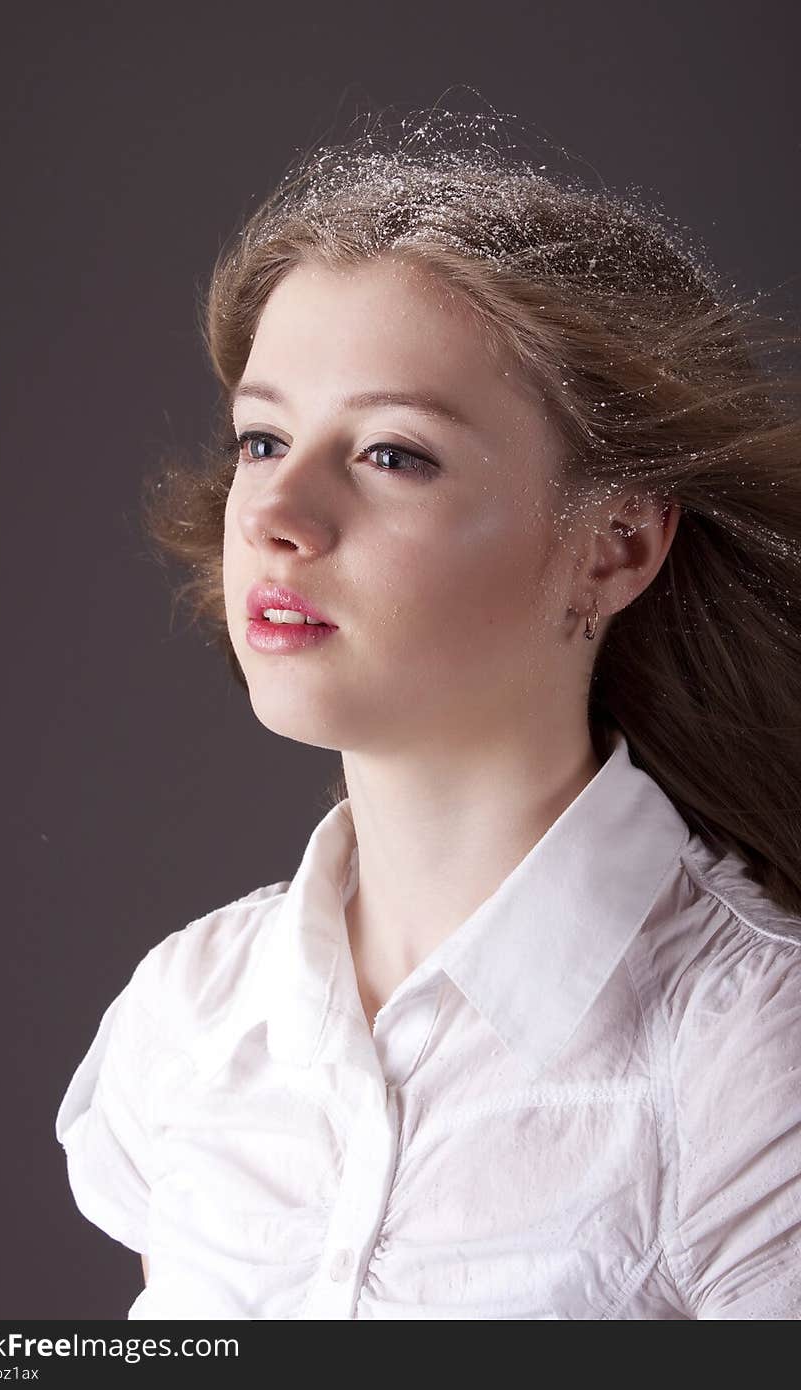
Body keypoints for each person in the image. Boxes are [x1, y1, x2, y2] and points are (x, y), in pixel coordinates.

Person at [55, 107, 801, 1319]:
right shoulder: (185, 1017)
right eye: (262, 437)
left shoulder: (753, 1058)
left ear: (614, 545)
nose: (276, 512)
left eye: (393, 453)